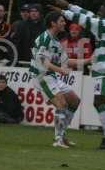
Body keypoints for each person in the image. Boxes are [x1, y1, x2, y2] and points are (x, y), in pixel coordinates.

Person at [51, 0, 105, 149]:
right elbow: (85, 13)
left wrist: (62, 12)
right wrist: (68, 5)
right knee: (104, 102)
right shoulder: (104, 22)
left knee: (100, 102)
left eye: (102, 10)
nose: (99, 11)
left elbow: (81, 19)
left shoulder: (103, 24)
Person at [29, 11, 91, 148]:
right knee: (61, 104)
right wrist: (60, 70)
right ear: (53, 23)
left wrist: (89, 60)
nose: (64, 23)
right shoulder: (45, 38)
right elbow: (42, 62)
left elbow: (66, 61)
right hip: (41, 77)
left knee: (74, 101)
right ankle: (58, 140)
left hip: (51, 76)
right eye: (62, 21)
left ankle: (61, 136)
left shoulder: (56, 41)